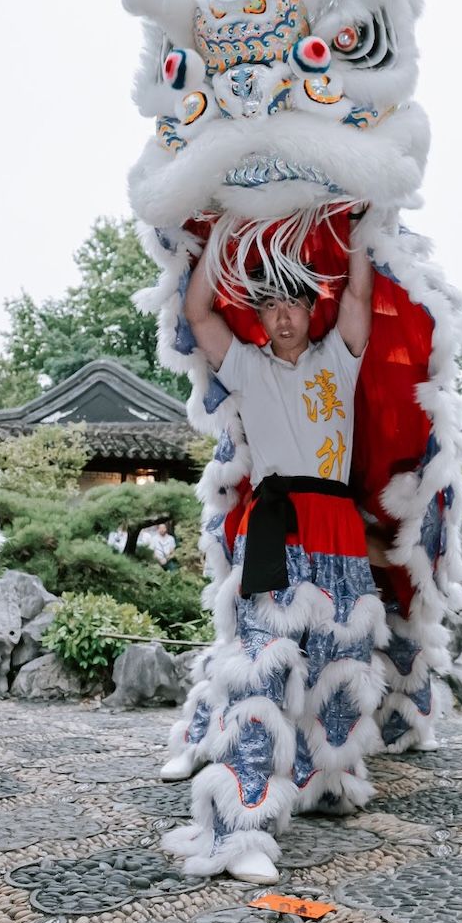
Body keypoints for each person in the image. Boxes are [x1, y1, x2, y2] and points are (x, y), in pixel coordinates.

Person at [156, 244, 379, 883]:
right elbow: (198, 311)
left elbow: (359, 299)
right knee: (262, 676)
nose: (283, 317)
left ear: (314, 308)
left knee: (345, 669)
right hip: (278, 531)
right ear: (258, 313)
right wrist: (222, 235)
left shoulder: (340, 356)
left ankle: (314, 784)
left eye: (294, 303)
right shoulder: (246, 365)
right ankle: (239, 823)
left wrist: (362, 236)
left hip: (338, 528)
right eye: (270, 304)